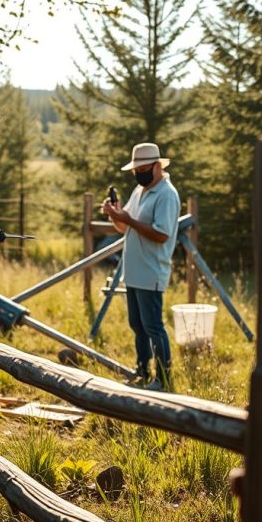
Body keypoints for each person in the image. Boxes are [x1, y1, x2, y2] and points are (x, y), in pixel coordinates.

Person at [102, 142, 181, 391]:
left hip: (152, 271)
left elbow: (162, 234)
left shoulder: (167, 195)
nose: (138, 174)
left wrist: (128, 220)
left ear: (158, 166)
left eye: (143, 169)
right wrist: (116, 215)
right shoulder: (140, 190)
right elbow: (125, 227)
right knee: (138, 326)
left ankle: (164, 379)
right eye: (136, 170)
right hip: (134, 271)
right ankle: (143, 370)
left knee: (154, 326)